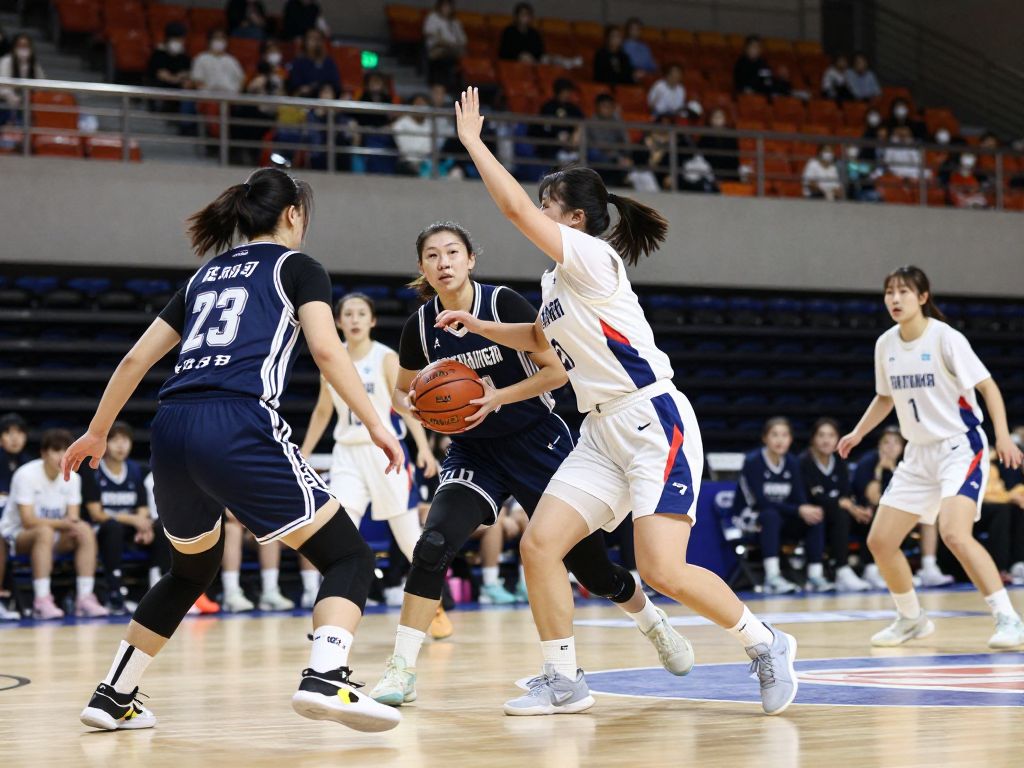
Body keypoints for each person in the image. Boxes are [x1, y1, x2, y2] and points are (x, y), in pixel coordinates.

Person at [443, 87, 798, 717]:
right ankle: (563, 679)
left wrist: (473, 143)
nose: (539, 210)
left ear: (573, 219)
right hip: (599, 430)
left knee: (661, 568)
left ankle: (765, 643)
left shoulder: (592, 258)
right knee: (539, 545)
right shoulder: (556, 279)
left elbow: (515, 211)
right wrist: (477, 325)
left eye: (549, 204)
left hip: (651, 420)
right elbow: (538, 338)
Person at [65, 167, 405, 733]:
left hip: (170, 430)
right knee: (348, 556)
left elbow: (134, 361)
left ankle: (113, 694)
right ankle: (326, 677)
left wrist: (98, 430)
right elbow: (325, 348)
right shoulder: (298, 267)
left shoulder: (204, 277)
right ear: (293, 214)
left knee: (188, 571)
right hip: (237, 421)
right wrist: (377, 422)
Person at [368, 220, 693, 708]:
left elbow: (557, 371)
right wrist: (414, 407)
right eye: (432, 256)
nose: (444, 263)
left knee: (592, 571)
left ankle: (650, 619)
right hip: (474, 452)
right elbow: (401, 390)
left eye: (452, 252)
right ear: (422, 268)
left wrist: (496, 397)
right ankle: (401, 668)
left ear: (470, 258)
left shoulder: (502, 304)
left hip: (536, 442)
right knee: (432, 545)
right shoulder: (418, 326)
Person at [838, 265, 1024, 649]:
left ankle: (1009, 618)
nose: (895, 298)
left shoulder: (945, 339)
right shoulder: (885, 344)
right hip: (918, 453)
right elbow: (885, 397)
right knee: (880, 542)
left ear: (923, 297)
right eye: (889, 291)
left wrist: (1003, 437)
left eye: (904, 291)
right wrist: (858, 432)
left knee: (954, 533)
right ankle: (911, 619)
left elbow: (988, 387)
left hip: (959, 446)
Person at [299, 292, 438, 609]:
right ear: (338, 321)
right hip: (347, 454)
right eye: (348, 314)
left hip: (386, 453)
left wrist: (423, 448)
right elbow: (322, 412)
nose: (355, 319)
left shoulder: (385, 358)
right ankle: (334, 609)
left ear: (372, 321)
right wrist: (304, 452)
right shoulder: (331, 358)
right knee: (340, 534)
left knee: (408, 540)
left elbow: (403, 406)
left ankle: (436, 604)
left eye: (361, 313)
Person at [1, 429, 108, 620]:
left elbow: (73, 519)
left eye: (66, 451)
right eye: (56, 450)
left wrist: (73, 524)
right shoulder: (25, 474)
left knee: (84, 529)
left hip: (54, 535)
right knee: (44, 532)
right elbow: (28, 521)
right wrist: (63, 523)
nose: (62, 456)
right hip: (16, 536)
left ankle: (85, 597)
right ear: (44, 453)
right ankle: (42, 601)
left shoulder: (74, 478)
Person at [82, 422, 171, 614]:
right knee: (112, 527)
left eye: (125, 440)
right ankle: (114, 592)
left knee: (161, 526)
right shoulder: (93, 469)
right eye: (115, 440)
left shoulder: (135, 470)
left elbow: (142, 508)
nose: (121, 446)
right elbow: (96, 513)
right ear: (104, 444)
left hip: (131, 528)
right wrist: (134, 521)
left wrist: (144, 527)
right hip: (102, 529)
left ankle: (158, 588)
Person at [736, 417, 830, 593]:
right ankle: (772, 577)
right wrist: (798, 509)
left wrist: (806, 509)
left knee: (814, 517)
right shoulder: (753, 462)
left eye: (785, 435)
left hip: (779, 518)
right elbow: (760, 502)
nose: (780, 440)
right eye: (775, 435)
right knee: (770, 515)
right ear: (765, 438)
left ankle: (815, 576)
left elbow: (798, 497)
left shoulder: (792, 462)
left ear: (791, 439)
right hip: (749, 517)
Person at [801, 418, 873, 591]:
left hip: (841, 513)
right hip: (813, 518)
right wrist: (843, 504)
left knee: (868, 517)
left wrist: (857, 508)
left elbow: (846, 492)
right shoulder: (804, 462)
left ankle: (872, 569)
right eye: (821, 435)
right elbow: (814, 497)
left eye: (831, 435)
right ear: (813, 439)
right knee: (841, 514)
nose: (826, 440)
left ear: (838, 439)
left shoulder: (839, 460)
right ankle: (842, 569)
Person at [0, 413, 26, 619]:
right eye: (9, 433)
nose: (14, 438)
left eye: (19, 433)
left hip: (19, 521)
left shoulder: (27, 462)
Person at [530, 78, 583, 163]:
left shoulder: (572, 108)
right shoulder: (548, 107)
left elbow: (581, 122)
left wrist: (574, 134)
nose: (567, 94)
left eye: (568, 92)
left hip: (571, 145)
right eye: (564, 92)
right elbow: (543, 128)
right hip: (552, 145)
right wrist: (558, 135)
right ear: (557, 92)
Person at [586, 94, 632, 187]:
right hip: (599, 155)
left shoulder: (617, 121)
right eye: (604, 106)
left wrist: (624, 156)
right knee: (594, 152)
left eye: (609, 107)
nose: (607, 110)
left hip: (616, 155)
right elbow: (600, 145)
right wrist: (617, 158)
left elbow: (626, 142)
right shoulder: (592, 122)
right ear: (597, 107)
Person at [0, 34, 45, 124]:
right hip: (5, 105)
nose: (23, 49)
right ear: (14, 47)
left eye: (26, 46)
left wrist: (25, 67)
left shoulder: (34, 65)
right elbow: (3, 86)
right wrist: (11, 97)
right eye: (20, 45)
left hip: (27, 105)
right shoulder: (6, 61)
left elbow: (41, 85)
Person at [422, 0, 466, 91]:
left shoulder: (455, 22)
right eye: (445, 6)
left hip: (452, 49)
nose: (447, 9)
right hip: (437, 48)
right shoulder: (433, 18)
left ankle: (450, 84)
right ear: (440, 7)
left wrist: (454, 44)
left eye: (449, 7)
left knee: (459, 54)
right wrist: (442, 40)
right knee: (441, 55)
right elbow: (428, 32)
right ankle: (438, 84)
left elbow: (463, 39)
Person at [287, 28, 340, 98]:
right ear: (305, 41)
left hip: (323, 96)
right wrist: (302, 88)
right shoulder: (298, 62)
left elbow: (336, 84)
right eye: (311, 38)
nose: (315, 41)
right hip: (304, 96)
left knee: (327, 92)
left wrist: (325, 88)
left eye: (318, 39)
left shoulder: (329, 62)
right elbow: (294, 83)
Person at [190, 29, 245, 94]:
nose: (219, 41)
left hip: (230, 97)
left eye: (222, 38)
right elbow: (197, 81)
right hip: (208, 97)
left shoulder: (232, 60)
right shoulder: (201, 58)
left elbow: (241, 79)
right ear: (210, 41)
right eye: (216, 38)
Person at [391, 94, 435, 176]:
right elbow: (405, 149)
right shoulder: (400, 124)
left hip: (425, 163)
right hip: (406, 164)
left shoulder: (431, 124)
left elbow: (429, 148)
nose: (421, 108)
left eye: (423, 105)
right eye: (418, 104)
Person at [697, 107, 740, 182]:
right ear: (710, 120)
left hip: (728, 172)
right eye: (715, 117)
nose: (717, 120)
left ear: (724, 120)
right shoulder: (705, 137)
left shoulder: (731, 137)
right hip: (710, 172)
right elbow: (702, 157)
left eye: (720, 117)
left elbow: (734, 158)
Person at [148, 23, 193, 93]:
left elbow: (188, 74)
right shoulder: (158, 54)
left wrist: (185, 77)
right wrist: (178, 78)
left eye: (180, 39)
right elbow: (163, 75)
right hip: (160, 91)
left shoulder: (184, 57)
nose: (178, 42)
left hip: (179, 94)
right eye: (175, 39)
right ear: (167, 39)